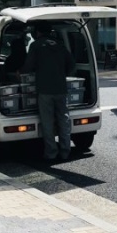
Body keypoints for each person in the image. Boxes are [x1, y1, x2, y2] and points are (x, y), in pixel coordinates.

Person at [19, 21, 75, 162]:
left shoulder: (36, 45)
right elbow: (71, 65)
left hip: (44, 90)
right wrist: (62, 74)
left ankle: (51, 152)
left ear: (37, 32)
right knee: (64, 120)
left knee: (47, 121)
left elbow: (28, 65)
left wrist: (20, 72)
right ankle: (65, 151)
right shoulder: (60, 45)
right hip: (61, 89)